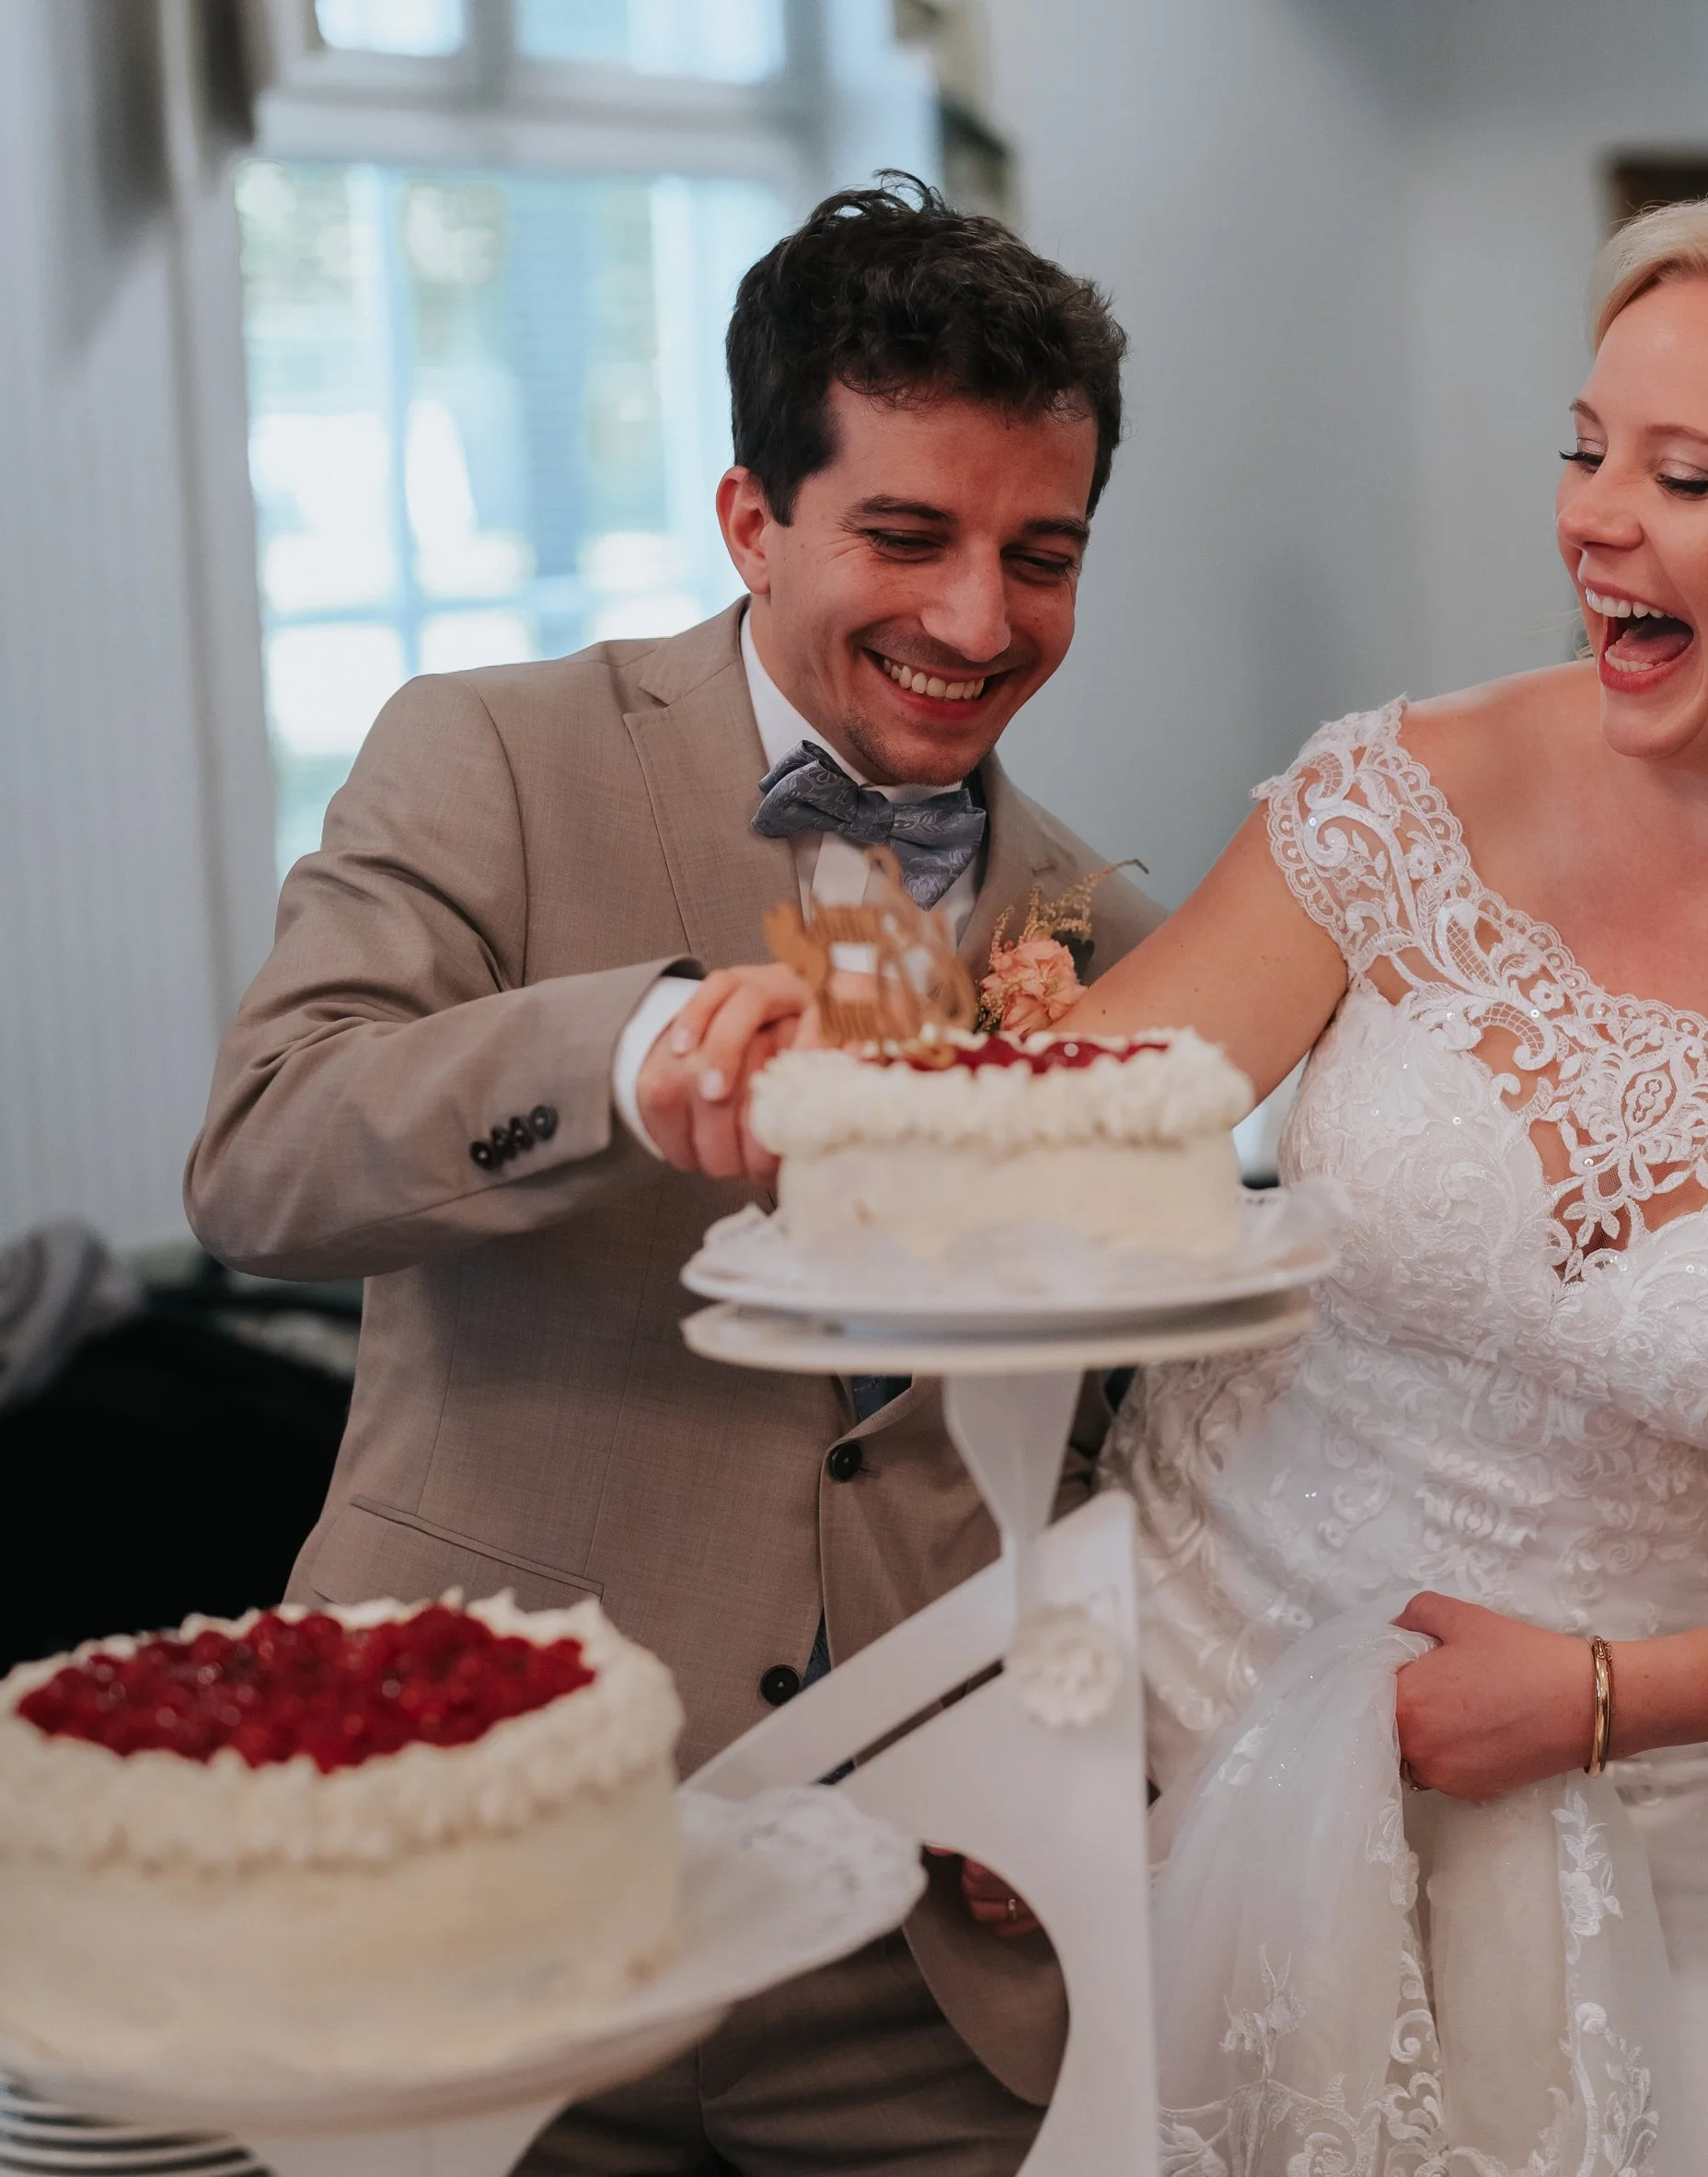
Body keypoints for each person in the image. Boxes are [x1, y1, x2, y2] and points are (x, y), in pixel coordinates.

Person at [682, 179, 1708, 2173]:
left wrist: (1602, 1699)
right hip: (1199, 1704)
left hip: (1664, 1807)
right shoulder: (1401, 795)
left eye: (1682, 475)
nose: (1591, 518)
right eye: (1583, 447)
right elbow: (1084, 1123)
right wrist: (829, 1078)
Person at [184, 177, 1158, 2177]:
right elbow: (262, 1159)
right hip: (481, 1869)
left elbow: (1133, 1425)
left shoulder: (1112, 926)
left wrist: (1091, 1728)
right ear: (748, 518)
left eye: (1036, 556)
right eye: (905, 535)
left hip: (921, 1950)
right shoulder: (487, 756)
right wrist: (613, 1054)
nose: (977, 622)